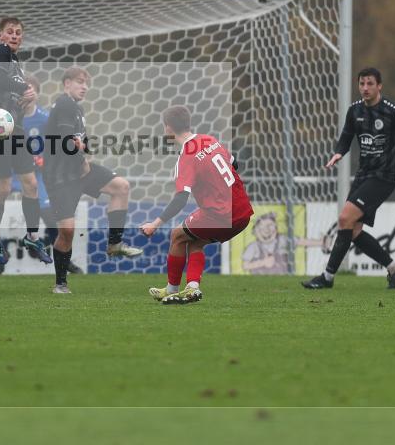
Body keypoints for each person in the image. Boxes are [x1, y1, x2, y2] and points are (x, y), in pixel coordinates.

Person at [302, 67, 395, 290]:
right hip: (363, 175)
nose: (365, 88)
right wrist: (339, 152)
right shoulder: (354, 111)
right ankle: (394, 268)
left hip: (384, 177)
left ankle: (327, 277)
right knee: (353, 230)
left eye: (370, 84)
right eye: (362, 84)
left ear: (379, 86)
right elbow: (346, 136)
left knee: (344, 219)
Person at [140, 106, 254, 304]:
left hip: (221, 214)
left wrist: (155, 224)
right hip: (242, 210)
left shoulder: (186, 156)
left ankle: (171, 289)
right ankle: (192, 288)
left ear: (168, 129)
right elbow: (235, 164)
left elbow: (181, 198)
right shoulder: (209, 139)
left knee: (177, 235)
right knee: (195, 241)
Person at [43, 66, 141, 294]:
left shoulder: (77, 108)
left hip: (80, 172)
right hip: (61, 178)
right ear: (67, 83)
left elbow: (80, 142)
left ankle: (114, 243)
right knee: (67, 232)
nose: (84, 86)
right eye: (80, 81)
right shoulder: (65, 104)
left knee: (121, 187)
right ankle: (60, 284)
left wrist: (84, 150)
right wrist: (81, 157)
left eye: (86, 82)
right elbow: (66, 142)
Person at [0, 75, 69, 274]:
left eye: (30, 90)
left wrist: (45, 159)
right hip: (7, 171)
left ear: (36, 94)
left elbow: (55, 145)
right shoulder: (7, 115)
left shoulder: (44, 119)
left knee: (50, 216)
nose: (26, 94)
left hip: (32, 173)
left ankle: (63, 261)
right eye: (22, 90)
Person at [0, 18, 49, 266]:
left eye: (18, 32)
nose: (15, 36)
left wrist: (24, 98)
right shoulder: (2, 51)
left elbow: (7, 90)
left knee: (31, 184)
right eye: (10, 32)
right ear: (1, 36)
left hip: (14, 128)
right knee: (3, 188)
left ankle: (32, 237)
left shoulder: (15, 62)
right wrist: (23, 85)